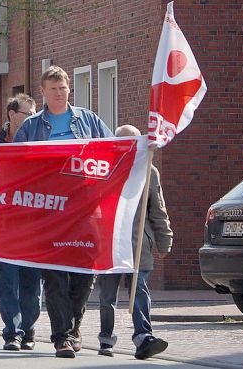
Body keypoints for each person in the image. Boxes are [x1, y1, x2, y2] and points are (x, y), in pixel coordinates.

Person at [14, 66, 113, 359]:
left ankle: (73, 326)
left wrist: (143, 146)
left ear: (70, 90)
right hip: (47, 212)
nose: (59, 93)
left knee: (85, 270)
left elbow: (113, 151)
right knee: (54, 275)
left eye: (63, 88)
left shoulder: (89, 121)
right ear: (42, 92)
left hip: (84, 210)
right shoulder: (31, 127)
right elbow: (15, 166)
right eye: (53, 89)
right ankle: (62, 338)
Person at [96, 124, 173, 360]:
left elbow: (157, 209)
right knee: (108, 295)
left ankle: (143, 338)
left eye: (134, 142)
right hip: (109, 244)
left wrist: (164, 239)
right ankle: (106, 339)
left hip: (139, 244)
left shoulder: (150, 172)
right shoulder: (103, 170)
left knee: (139, 291)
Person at [0, 93, 42, 351]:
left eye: (35, 115)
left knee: (31, 283)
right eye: (28, 115)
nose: (33, 120)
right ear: (11, 114)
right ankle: (13, 332)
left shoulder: (41, 146)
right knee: (7, 283)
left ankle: (29, 328)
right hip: (2, 227)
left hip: (33, 226)